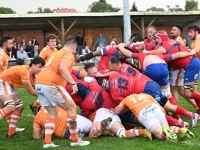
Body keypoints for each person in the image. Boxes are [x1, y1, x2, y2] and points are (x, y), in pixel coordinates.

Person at [35, 37, 90, 148]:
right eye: (76, 49)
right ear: (74, 47)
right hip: (51, 84)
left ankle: (47, 142)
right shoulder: (68, 54)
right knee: (72, 108)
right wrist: (73, 83)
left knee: (53, 113)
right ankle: (75, 140)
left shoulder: (57, 53)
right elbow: (62, 68)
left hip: (39, 83)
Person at [97, 72, 198, 129]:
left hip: (145, 91)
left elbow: (125, 106)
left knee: (154, 112)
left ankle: (181, 124)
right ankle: (191, 115)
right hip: (149, 84)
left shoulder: (114, 94)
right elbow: (113, 73)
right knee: (168, 106)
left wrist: (116, 111)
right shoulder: (113, 75)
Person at [146, 30, 200, 114]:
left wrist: (147, 52)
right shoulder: (171, 41)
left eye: (157, 38)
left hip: (188, 65)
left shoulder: (163, 48)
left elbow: (168, 53)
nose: (155, 40)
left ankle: (176, 112)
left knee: (185, 93)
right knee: (184, 91)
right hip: (191, 63)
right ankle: (196, 109)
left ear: (161, 38)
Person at [114, 94, 194, 140]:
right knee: (166, 128)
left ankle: (162, 132)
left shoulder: (127, 99)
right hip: (154, 108)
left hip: (144, 113)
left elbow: (116, 111)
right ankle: (181, 130)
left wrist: (127, 107)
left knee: (162, 136)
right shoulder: (145, 95)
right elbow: (162, 109)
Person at [0, 57, 45, 137]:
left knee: (20, 107)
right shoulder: (26, 72)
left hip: (9, 84)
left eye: (42, 67)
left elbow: (37, 87)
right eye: (39, 66)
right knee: (11, 107)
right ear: (33, 65)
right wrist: (45, 96)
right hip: (3, 81)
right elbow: (31, 91)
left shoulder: (33, 74)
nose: (41, 69)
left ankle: (11, 133)